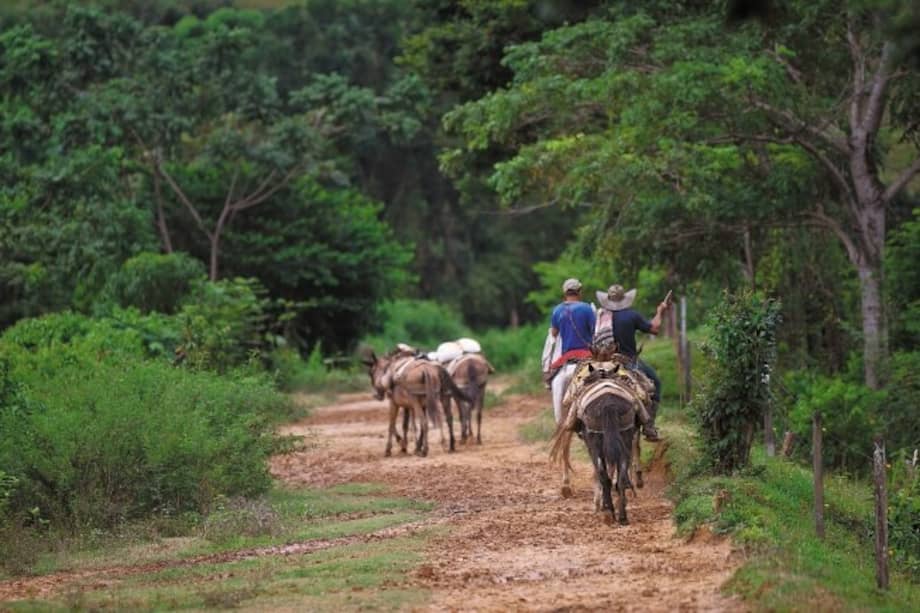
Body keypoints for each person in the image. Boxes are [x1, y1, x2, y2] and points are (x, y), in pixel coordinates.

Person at [595, 283, 668, 441]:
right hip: (627, 362)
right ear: (624, 299)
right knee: (655, 383)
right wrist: (660, 311)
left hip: (603, 363)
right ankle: (649, 427)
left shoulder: (601, 316)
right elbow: (654, 328)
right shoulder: (631, 315)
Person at [547, 278, 595, 424]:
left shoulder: (557, 310)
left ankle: (549, 386)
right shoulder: (587, 308)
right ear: (579, 292)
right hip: (587, 354)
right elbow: (595, 332)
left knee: (550, 376)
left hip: (567, 357)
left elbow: (554, 334)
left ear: (565, 293)